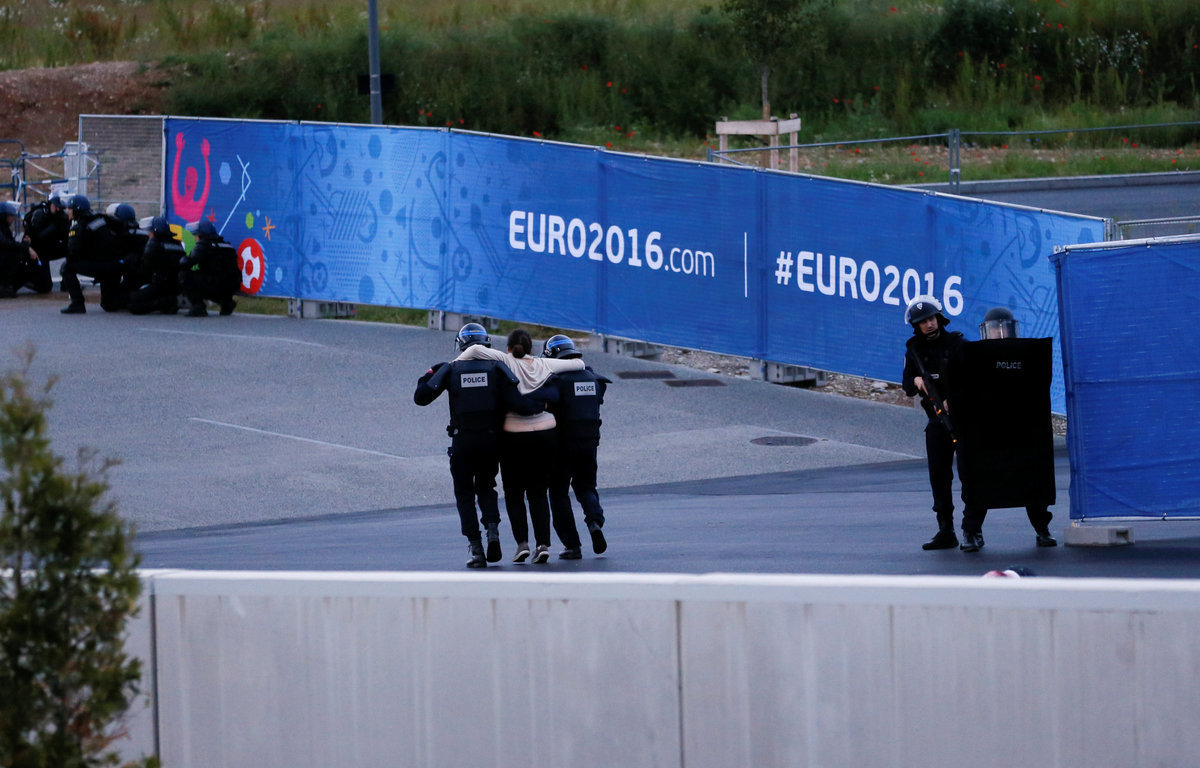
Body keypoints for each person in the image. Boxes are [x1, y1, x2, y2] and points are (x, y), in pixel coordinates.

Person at [414, 323, 540, 568]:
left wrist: (435, 372)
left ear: (461, 345)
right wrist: (540, 407)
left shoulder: (450, 369)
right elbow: (518, 403)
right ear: (487, 344)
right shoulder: (496, 368)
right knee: (486, 486)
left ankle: (476, 547)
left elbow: (421, 397)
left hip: (463, 440)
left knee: (464, 493)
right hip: (491, 440)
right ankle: (492, 530)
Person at [455, 328, 585, 564]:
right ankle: (543, 544)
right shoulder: (544, 364)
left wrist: (452, 365)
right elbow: (579, 365)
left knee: (514, 492)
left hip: (514, 435)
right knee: (538, 492)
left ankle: (522, 544)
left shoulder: (504, 360)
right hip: (546, 433)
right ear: (531, 348)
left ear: (508, 348)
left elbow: (474, 349)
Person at [902, 296, 987, 552]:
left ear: (939, 318)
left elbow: (975, 380)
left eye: (931, 319)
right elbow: (906, 386)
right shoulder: (914, 350)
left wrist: (954, 399)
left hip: (963, 420)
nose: (928, 324)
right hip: (936, 421)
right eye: (923, 322)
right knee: (939, 476)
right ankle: (945, 529)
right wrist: (917, 381)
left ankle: (972, 530)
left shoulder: (956, 343)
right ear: (916, 326)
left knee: (969, 476)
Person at [972, 306, 1057, 547]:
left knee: (1033, 481)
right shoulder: (976, 358)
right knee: (980, 482)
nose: (1000, 334)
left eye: (1004, 328)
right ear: (985, 331)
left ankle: (1042, 528)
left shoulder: (1028, 355)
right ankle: (972, 531)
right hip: (989, 432)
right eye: (995, 329)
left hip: (1024, 430)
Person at [541, 334, 611, 559]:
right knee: (586, 487)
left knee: (559, 493)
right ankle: (594, 522)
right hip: (590, 443)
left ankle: (572, 545)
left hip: (562, 446)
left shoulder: (557, 381)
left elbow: (542, 401)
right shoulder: (593, 378)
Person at [60, 194, 124, 313]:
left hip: (101, 266)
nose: (67, 211)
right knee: (109, 305)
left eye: (69, 208)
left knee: (66, 266)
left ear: (76, 210)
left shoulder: (79, 227)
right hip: (115, 266)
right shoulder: (102, 219)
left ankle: (77, 303)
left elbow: (72, 253)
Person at [179, 220, 239, 317]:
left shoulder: (203, 244)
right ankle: (226, 302)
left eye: (196, 236)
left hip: (215, 283)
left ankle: (198, 307)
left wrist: (182, 259)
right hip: (232, 284)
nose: (195, 238)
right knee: (213, 278)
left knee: (185, 275)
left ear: (200, 235)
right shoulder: (226, 244)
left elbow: (189, 262)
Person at [127, 217, 183, 315]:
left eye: (150, 231)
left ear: (154, 231)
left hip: (160, 283)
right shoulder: (177, 243)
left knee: (133, 304)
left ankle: (163, 303)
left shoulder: (154, 243)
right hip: (176, 285)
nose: (148, 234)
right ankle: (167, 301)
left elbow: (145, 269)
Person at [20, 194, 68, 294]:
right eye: (55, 206)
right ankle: (26, 278)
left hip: (50, 247)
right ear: (50, 204)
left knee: (71, 249)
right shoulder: (39, 214)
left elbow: (65, 237)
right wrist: (54, 226)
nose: (57, 209)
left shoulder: (62, 217)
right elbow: (35, 238)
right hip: (37, 251)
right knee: (45, 287)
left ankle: (67, 281)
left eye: (60, 207)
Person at [0, 201, 40, 298]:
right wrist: (26, 248)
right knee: (17, 258)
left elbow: (10, 244)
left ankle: (9, 286)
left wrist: (25, 245)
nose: (13, 219)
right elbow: (5, 244)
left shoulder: (4, 227)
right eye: (11, 216)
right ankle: (5, 287)